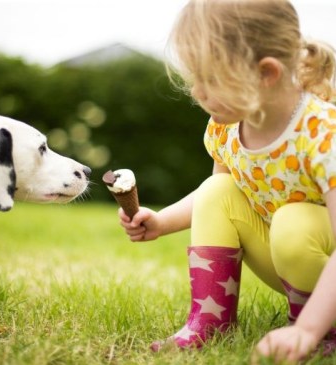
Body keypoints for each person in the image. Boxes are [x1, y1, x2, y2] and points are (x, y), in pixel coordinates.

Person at [118, 0, 336, 362]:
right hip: (290, 264)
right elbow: (219, 201)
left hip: (319, 260)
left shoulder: (322, 133)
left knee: (293, 221)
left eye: (210, 79)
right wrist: (161, 221)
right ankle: (209, 321)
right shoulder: (227, 126)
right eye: (194, 77)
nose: (196, 92)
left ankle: (320, 328)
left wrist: (308, 329)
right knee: (217, 188)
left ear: (266, 73)